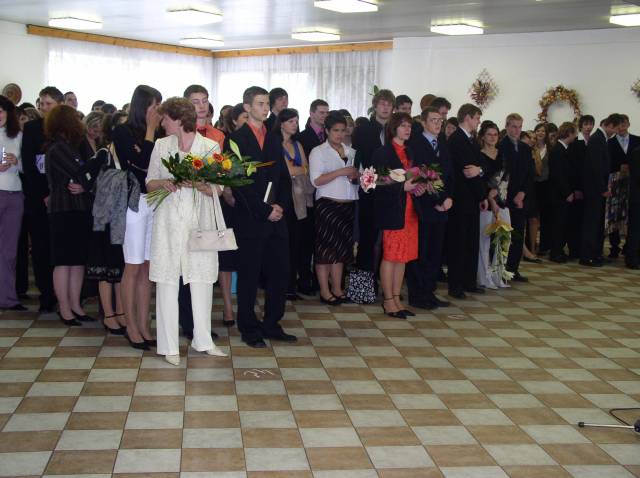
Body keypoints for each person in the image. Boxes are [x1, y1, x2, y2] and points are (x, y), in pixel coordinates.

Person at [145, 97, 226, 365]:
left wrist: (200, 184)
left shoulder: (209, 146)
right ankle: (168, 346)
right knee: (167, 281)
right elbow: (149, 182)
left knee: (201, 280)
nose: (162, 123)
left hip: (199, 222)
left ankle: (204, 340)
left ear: (179, 120)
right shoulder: (161, 145)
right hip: (168, 222)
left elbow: (219, 188)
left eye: (165, 119)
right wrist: (165, 182)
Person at [225, 86, 295, 348]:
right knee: (249, 275)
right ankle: (249, 327)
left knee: (280, 272)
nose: (266, 108)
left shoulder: (274, 138)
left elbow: (284, 178)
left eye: (267, 104)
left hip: (276, 217)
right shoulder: (235, 139)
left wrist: (280, 207)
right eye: (260, 104)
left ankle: (272, 323)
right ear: (247, 107)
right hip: (251, 218)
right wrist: (265, 210)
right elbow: (238, 183)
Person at [112, 85, 162, 349]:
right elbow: (141, 163)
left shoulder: (160, 133)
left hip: (154, 201)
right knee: (132, 265)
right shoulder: (122, 131)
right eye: (154, 106)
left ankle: (144, 325)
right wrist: (151, 131)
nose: (157, 111)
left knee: (146, 267)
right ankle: (130, 326)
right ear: (143, 106)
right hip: (133, 202)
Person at [44, 105, 97, 325]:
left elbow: (88, 172)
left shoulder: (72, 146)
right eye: (75, 118)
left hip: (79, 208)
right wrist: (88, 180)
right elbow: (82, 172)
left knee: (77, 261)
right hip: (63, 209)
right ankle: (65, 308)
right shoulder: (57, 148)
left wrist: (87, 183)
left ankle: (76, 305)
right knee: (63, 261)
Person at [373, 112, 424, 318]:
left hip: (410, 209)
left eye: (409, 126)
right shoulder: (383, 152)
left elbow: (413, 176)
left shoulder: (410, 150)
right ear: (394, 128)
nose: (407, 129)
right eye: (403, 126)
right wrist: (402, 187)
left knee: (403, 256)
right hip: (392, 209)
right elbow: (377, 181)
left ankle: (397, 299)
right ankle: (388, 301)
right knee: (391, 255)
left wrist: (420, 185)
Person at [21, 86, 64, 312]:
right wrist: (44, 194)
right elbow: (29, 165)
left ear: (59, 105)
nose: (44, 107)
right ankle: (46, 294)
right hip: (38, 198)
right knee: (40, 248)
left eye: (49, 104)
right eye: (41, 103)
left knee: (61, 248)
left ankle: (64, 295)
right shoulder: (31, 128)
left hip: (63, 198)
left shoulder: (67, 128)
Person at [309, 112, 358, 306]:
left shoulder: (351, 151)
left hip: (348, 204)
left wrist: (356, 175)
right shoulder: (318, 152)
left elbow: (357, 176)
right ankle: (324, 290)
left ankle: (338, 288)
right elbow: (316, 180)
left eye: (343, 130)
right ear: (327, 131)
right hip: (328, 205)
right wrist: (340, 172)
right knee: (325, 250)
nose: (339, 134)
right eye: (336, 130)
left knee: (342, 249)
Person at [86, 112, 129, 334]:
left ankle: (121, 311)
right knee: (106, 268)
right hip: (106, 217)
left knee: (121, 267)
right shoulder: (105, 153)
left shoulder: (129, 152)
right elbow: (84, 175)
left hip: (124, 216)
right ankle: (109, 314)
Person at [405, 106, 451, 309]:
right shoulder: (416, 144)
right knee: (421, 252)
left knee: (435, 252)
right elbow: (424, 174)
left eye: (440, 120)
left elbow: (449, 174)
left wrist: (449, 198)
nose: (438, 124)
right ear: (423, 122)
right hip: (424, 205)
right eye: (433, 120)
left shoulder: (443, 143)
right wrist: (439, 200)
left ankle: (430, 292)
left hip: (443, 205)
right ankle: (418, 294)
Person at [446, 103, 486, 299]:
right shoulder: (457, 140)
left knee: (471, 242)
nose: (478, 121)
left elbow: (479, 167)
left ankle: (469, 281)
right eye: (477, 118)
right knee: (459, 243)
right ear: (468, 117)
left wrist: (480, 173)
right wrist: (481, 192)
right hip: (460, 199)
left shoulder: (471, 140)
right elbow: (468, 171)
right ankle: (456, 285)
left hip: (472, 199)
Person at [353, 89, 395, 276]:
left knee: (388, 238)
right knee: (368, 237)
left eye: (389, 104)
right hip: (369, 189)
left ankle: (383, 278)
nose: (385, 108)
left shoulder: (395, 129)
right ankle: (366, 281)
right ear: (375, 106)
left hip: (392, 190)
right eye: (382, 104)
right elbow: (362, 159)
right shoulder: (363, 129)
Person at [276, 108, 315, 301]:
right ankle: (282, 285)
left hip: (299, 199)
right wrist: (295, 170)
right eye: (290, 121)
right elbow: (285, 171)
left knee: (296, 244)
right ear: (281, 123)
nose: (294, 124)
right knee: (282, 245)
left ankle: (291, 285)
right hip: (282, 198)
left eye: (296, 121)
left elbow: (305, 168)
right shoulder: (274, 143)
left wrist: (295, 170)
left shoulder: (297, 144)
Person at [580, 114, 622, 267]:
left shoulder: (601, 139)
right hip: (594, 190)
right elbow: (596, 167)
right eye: (616, 129)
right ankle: (587, 256)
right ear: (610, 125)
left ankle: (596, 253)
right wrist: (603, 188)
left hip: (598, 189)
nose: (616, 132)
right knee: (591, 223)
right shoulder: (597, 139)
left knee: (597, 223)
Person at [499, 113, 534, 282]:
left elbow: (530, 174)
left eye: (519, 127)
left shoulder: (525, 148)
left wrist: (523, 193)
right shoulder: (500, 146)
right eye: (513, 126)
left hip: (521, 197)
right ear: (507, 126)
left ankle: (513, 269)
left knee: (519, 234)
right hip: (505, 197)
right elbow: (502, 174)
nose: (517, 130)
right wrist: (512, 194)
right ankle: (501, 269)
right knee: (504, 234)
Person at [477, 121, 511, 289]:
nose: (492, 137)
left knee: (504, 238)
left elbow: (506, 176)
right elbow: (481, 179)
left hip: (502, 199)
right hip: (485, 201)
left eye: (495, 134)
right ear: (483, 137)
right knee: (484, 240)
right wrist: (490, 198)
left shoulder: (502, 153)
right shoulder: (478, 155)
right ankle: (484, 278)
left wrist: (497, 195)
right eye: (489, 134)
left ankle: (499, 276)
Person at [0, 95, 26, 311]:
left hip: (14, 194)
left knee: (9, 250)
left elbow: (29, 167)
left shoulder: (17, 135)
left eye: (1, 111)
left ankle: (8, 297)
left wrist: (16, 162)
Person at [607, 114, 640, 258]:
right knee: (615, 213)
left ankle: (630, 246)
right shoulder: (610, 142)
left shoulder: (637, 140)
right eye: (619, 124)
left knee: (632, 214)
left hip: (634, 183)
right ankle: (614, 246)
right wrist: (618, 167)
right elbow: (606, 162)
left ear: (628, 124)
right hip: (616, 182)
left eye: (624, 124)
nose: (621, 127)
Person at [548, 122, 578, 262]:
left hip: (561, 193)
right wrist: (567, 193)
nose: (575, 136)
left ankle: (559, 250)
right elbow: (558, 175)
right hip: (559, 194)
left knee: (562, 223)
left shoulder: (564, 149)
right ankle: (555, 252)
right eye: (574, 133)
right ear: (569, 133)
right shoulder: (557, 150)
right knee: (558, 224)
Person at [566, 115, 594, 259]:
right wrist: (576, 188)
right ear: (581, 126)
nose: (588, 127)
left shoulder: (594, 141)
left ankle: (584, 248)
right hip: (577, 187)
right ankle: (574, 249)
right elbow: (573, 168)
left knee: (586, 220)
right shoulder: (575, 143)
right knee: (575, 219)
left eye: (591, 124)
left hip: (590, 188)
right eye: (586, 124)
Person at [527, 123, 551, 259]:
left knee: (545, 217)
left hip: (546, 186)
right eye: (538, 130)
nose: (540, 133)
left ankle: (543, 246)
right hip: (532, 185)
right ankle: (531, 247)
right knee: (533, 218)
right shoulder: (530, 148)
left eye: (543, 131)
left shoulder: (550, 148)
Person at [183, 84, 225, 149]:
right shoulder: (181, 132)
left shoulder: (218, 135)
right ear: (186, 105)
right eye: (196, 102)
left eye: (205, 101)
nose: (202, 106)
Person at [625, 144, 640, 269]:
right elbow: (637, 175)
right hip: (637, 197)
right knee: (635, 229)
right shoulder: (637, 152)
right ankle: (632, 258)